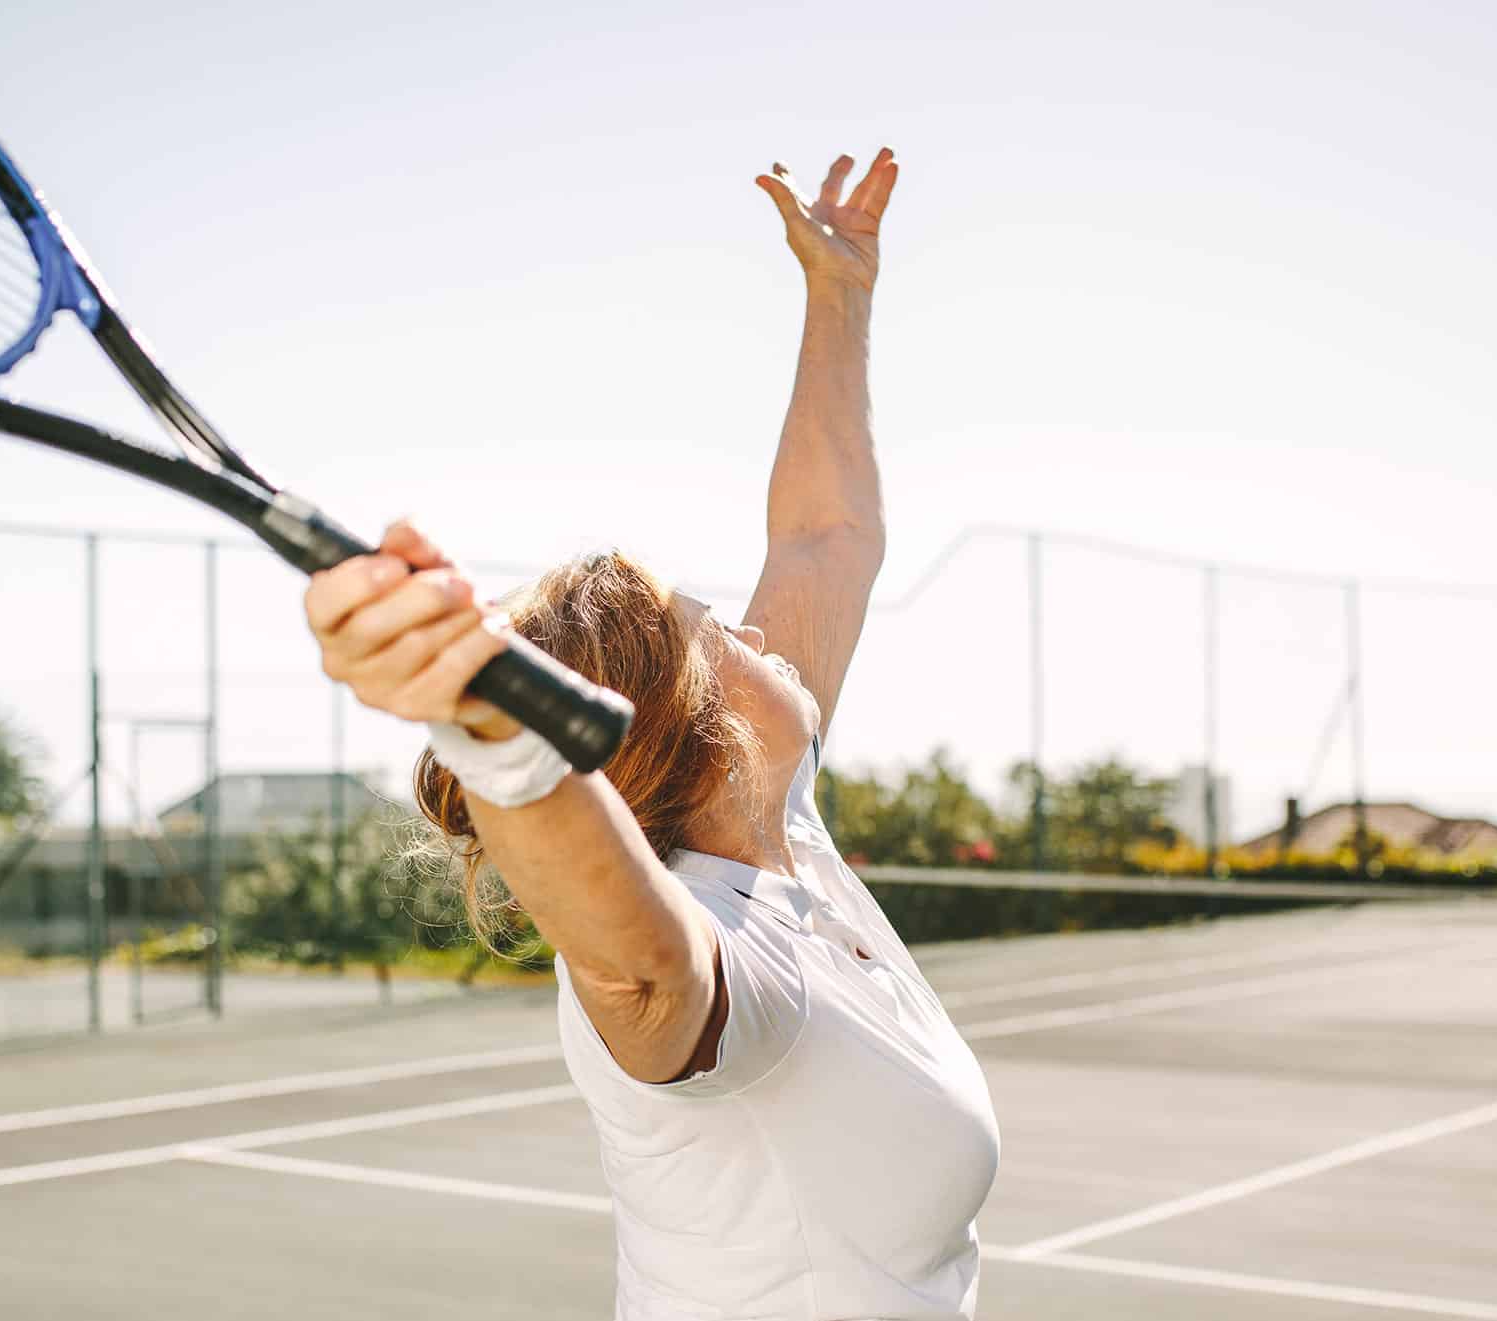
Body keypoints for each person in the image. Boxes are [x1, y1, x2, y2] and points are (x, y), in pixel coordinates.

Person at [305, 148, 1001, 1320]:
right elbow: (639, 965)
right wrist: (493, 733)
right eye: (717, 630)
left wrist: (840, 298)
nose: (755, 626)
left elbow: (826, 536)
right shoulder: (722, 954)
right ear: (698, 732)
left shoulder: (782, 838)